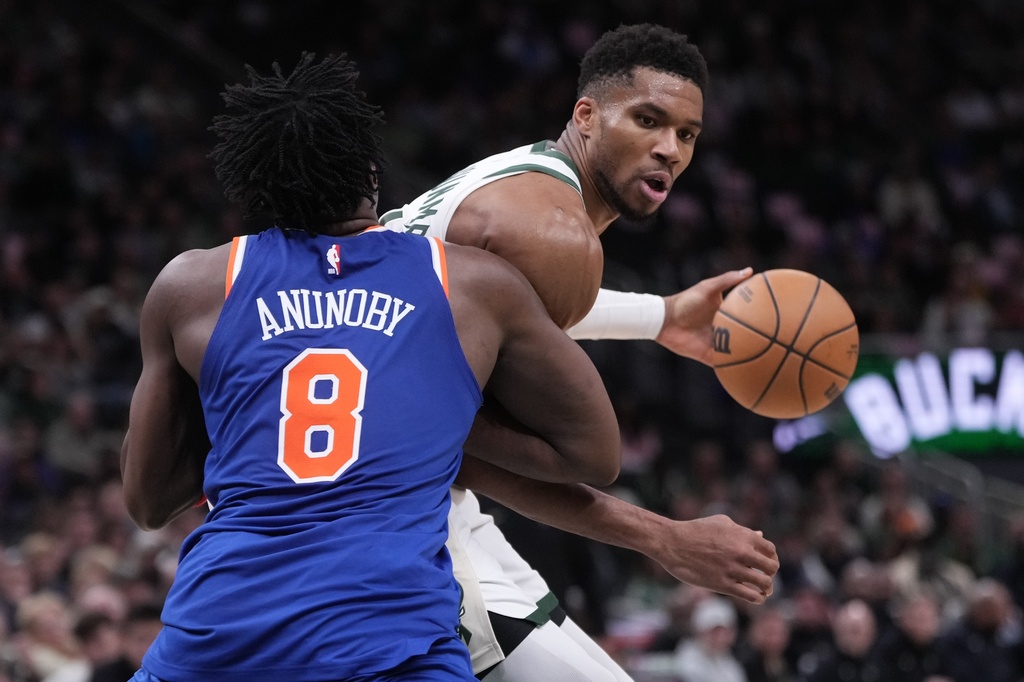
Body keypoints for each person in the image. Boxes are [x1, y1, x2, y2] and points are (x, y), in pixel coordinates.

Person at [119, 52, 621, 681]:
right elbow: (595, 454)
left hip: (219, 640)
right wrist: (432, 426)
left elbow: (147, 500)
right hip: (392, 645)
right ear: (371, 173)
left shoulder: (191, 285)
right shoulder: (469, 283)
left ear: (256, 185)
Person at [381, 22, 779, 680]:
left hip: (405, 489)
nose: (669, 150)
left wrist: (661, 316)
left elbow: (508, 307)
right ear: (587, 115)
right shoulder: (552, 232)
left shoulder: (515, 181)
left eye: (686, 135)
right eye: (648, 120)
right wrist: (664, 538)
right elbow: (461, 447)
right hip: (379, 512)